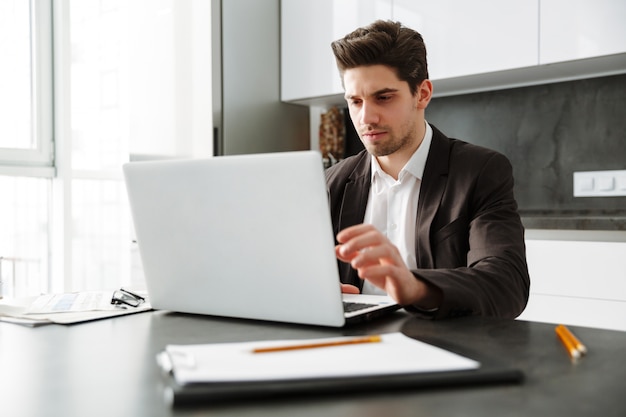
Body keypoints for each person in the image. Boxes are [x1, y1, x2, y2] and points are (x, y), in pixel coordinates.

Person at [326, 20, 530, 319]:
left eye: (383, 97)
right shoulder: (332, 182)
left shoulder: (480, 171)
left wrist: (415, 287)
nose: (366, 117)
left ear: (422, 94)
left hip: (444, 347)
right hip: (352, 347)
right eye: (355, 101)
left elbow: (506, 285)